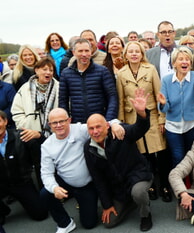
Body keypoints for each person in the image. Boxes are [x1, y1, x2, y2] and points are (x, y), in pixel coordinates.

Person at [40, 107, 123, 232]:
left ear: (69, 120)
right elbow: (46, 173)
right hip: (65, 181)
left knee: (89, 224)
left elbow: (102, 123)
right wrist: (54, 188)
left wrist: (115, 124)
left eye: (62, 121)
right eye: (54, 123)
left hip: (87, 184)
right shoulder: (46, 146)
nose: (58, 125)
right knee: (45, 193)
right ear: (49, 124)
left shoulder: (80, 130)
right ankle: (65, 223)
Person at [84, 88, 153, 231]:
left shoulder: (120, 132)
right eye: (91, 128)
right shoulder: (88, 148)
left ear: (107, 126)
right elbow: (98, 179)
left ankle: (145, 215)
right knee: (109, 223)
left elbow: (140, 128)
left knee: (138, 192)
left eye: (98, 127)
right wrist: (107, 205)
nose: (95, 131)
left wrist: (141, 113)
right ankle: (130, 203)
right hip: (118, 188)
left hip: (137, 177)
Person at [116, 41, 172, 202]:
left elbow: (159, 95)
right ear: (125, 55)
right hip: (132, 119)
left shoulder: (151, 69)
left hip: (152, 116)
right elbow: (120, 100)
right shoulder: (121, 74)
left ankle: (164, 185)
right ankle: (151, 184)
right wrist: (121, 124)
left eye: (137, 51)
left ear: (142, 54)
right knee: (143, 155)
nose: (134, 54)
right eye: (131, 51)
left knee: (160, 153)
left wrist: (162, 120)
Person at [157, 46, 194, 167]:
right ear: (174, 63)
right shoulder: (166, 80)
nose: (185, 62)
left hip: (192, 125)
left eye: (187, 59)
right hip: (173, 126)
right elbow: (164, 108)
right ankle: (179, 184)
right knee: (178, 157)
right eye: (181, 59)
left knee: (193, 156)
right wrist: (163, 103)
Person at [11, 58, 59, 188]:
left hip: (54, 133)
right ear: (36, 70)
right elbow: (16, 111)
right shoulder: (25, 88)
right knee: (39, 164)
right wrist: (28, 126)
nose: (48, 72)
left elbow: (65, 109)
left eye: (51, 70)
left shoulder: (58, 87)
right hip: (31, 134)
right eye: (44, 69)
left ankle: (59, 191)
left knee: (57, 163)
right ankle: (45, 191)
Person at [0, 111, 48, 226]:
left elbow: (43, 156)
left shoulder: (21, 136)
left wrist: (39, 136)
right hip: (1, 184)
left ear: (5, 121)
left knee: (40, 214)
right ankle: (3, 210)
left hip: (22, 183)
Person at [59, 38, 118, 123]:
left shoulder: (103, 71)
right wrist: (66, 122)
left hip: (100, 122)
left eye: (87, 51)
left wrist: (109, 120)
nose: (84, 54)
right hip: (77, 123)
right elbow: (63, 101)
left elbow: (112, 97)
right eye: (80, 51)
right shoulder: (66, 74)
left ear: (91, 52)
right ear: (74, 53)